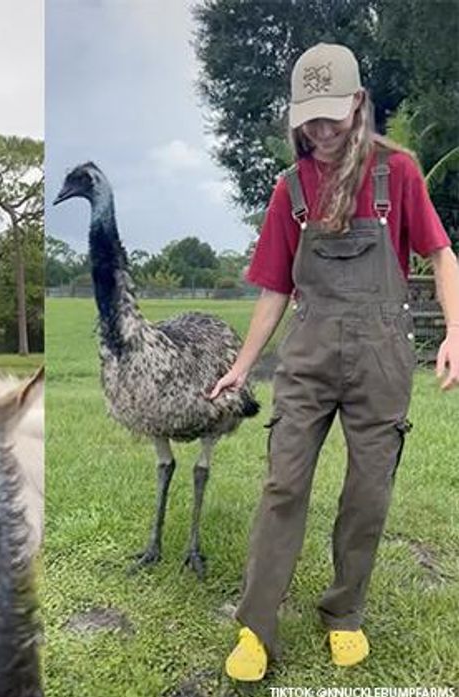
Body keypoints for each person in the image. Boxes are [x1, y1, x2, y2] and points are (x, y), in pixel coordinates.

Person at [208, 43, 458, 682]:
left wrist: (455, 331)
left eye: (330, 115)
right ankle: (255, 627)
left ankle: (343, 614)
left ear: (356, 103)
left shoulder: (396, 173)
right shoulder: (288, 189)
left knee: (368, 492)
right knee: (284, 485)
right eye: (307, 119)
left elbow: (441, 253)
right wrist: (242, 364)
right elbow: (274, 288)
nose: (319, 131)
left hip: (381, 358)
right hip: (309, 355)